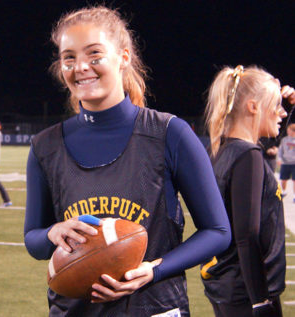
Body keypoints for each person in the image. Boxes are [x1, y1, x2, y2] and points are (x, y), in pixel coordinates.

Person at [24, 6, 231, 316]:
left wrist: (154, 270)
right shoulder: (45, 146)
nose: (80, 67)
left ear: (123, 57)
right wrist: (53, 233)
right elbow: (33, 239)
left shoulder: (169, 133)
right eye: (69, 58)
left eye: (94, 55)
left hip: (155, 306)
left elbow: (217, 231)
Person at [203, 65, 294, 317]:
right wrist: (260, 301)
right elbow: (246, 236)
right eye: (276, 105)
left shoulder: (224, 150)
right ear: (253, 107)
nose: (283, 112)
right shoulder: (248, 156)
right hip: (247, 294)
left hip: (230, 288)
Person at [278, 122, 295, 200]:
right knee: (283, 179)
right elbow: (280, 150)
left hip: (294, 163)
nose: (288, 132)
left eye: (289, 130)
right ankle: (284, 191)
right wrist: (279, 159)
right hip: (285, 162)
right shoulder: (284, 140)